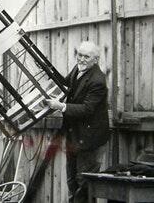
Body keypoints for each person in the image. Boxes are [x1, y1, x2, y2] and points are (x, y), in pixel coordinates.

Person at [44, 41, 109, 203]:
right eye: (79, 55)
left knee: (84, 184)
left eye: (87, 56)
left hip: (90, 140)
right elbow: (65, 86)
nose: (81, 59)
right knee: (72, 181)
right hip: (74, 136)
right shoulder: (77, 70)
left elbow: (87, 109)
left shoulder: (98, 81)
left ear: (96, 59)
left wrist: (61, 106)